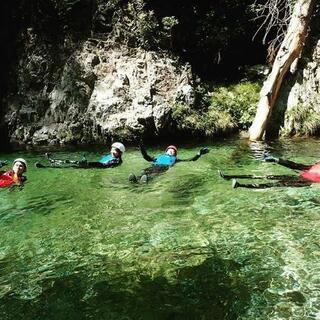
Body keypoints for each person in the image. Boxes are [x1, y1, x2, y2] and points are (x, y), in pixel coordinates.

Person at [219, 155, 319, 189]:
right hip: (297, 178)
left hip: (302, 182)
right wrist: (276, 160)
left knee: (270, 184)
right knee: (265, 176)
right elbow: (295, 165)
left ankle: (240, 185)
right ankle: (229, 176)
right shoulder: (314, 166)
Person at [129, 144, 209, 183]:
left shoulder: (175, 159)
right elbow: (146, 157)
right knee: (145, 171)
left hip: (163, 168)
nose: (171, 150)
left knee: (154, 174)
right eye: (170, 149)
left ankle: (145, 181)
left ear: (175, 154)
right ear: (166, 151)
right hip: (155, 165)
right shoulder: (157, 157)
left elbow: (191, 160)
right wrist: (142, 149)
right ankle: (136, 179)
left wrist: (199, 154)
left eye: (173, 150)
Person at [39, 142, 125, 169]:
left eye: (115, 151)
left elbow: (104, 165)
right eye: (112, 149)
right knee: (74, 162)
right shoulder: (110, 156)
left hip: (94, 166)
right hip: (93, 164)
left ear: (120, 153)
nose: (112, 152)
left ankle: (48, 166)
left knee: (72, 166)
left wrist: (89, 164)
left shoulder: (117, 161)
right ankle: (53, 160)